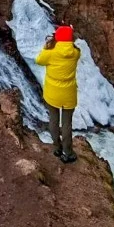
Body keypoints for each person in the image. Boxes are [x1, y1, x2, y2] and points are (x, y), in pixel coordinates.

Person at [36, 25, 81, 164]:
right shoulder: (75, 52)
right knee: (67, 124)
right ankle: (68, 153)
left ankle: (56, 148)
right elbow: (69, 45)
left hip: (52, 92)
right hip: (68, 93)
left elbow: (38, 60)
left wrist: (47, 46)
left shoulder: (50, 52)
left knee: (53, 120)